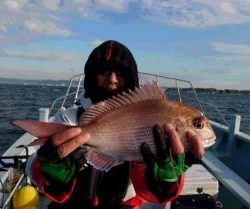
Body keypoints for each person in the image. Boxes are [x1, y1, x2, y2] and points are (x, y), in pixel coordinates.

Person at [26, 40, 204, 209]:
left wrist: (164, 182)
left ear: (130, 79)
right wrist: (47, 173)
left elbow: (149, 192)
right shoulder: (70, 117)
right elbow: (32, 165)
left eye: (120, 73)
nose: (112, 79)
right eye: (104, 72)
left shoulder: (147, 119)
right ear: (91, 76)